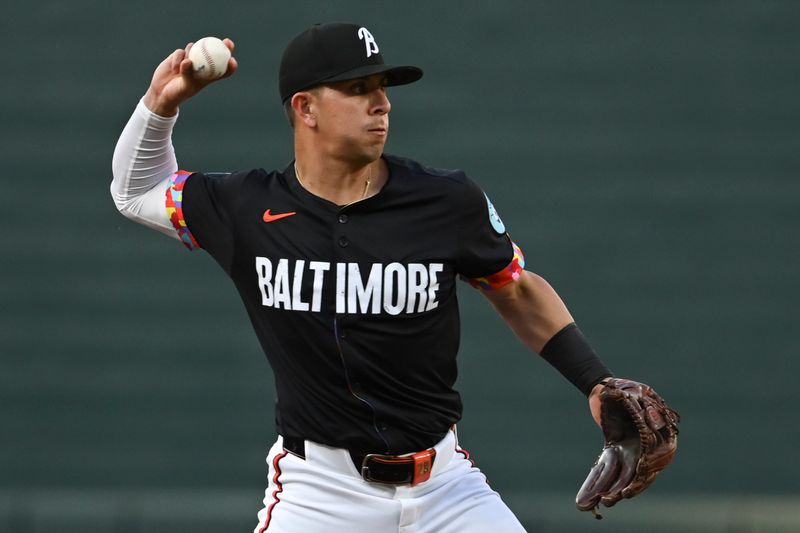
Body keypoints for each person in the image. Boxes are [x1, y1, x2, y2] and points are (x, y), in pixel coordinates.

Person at [111, 22, 614, 533]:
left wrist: (595, 382)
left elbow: (518, 290)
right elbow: (135, 190)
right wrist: (160, 103)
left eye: (382, 88)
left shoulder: (445, 200)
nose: (382, 103)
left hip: (446, 489)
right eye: (358, 89)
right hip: (320, 494)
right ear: (305, 108)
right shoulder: (245, 208)